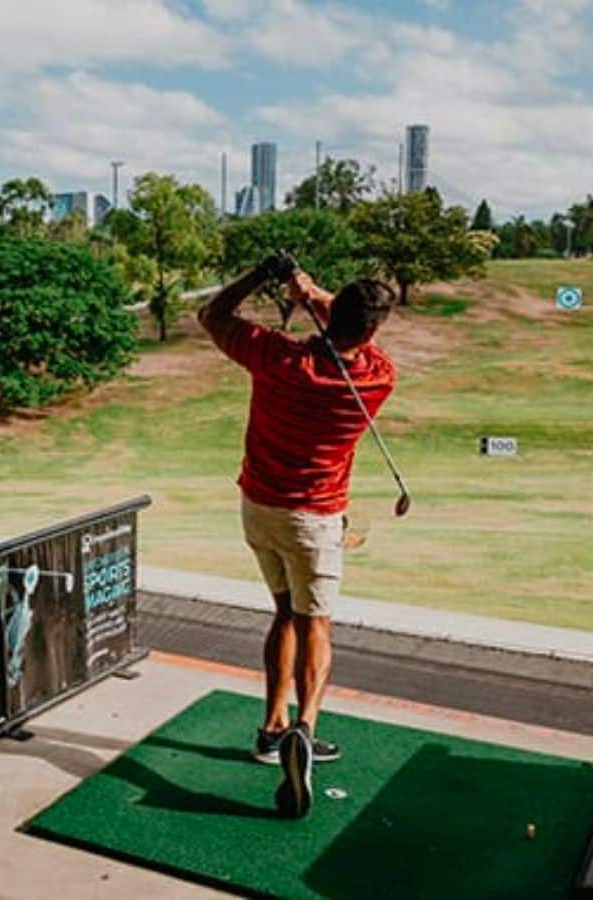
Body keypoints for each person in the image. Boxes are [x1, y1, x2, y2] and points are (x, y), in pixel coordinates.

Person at [197, 257, 397, 819]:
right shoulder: (376, 376)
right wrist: (312, 294)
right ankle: (303, 730)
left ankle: (271, 729)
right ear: (373, 331)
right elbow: (351, 326)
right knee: (317, 625)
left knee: (283, 614)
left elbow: (210, 313)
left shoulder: (278, 357)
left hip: (259, 509)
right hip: (314, 519)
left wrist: (264, 276)